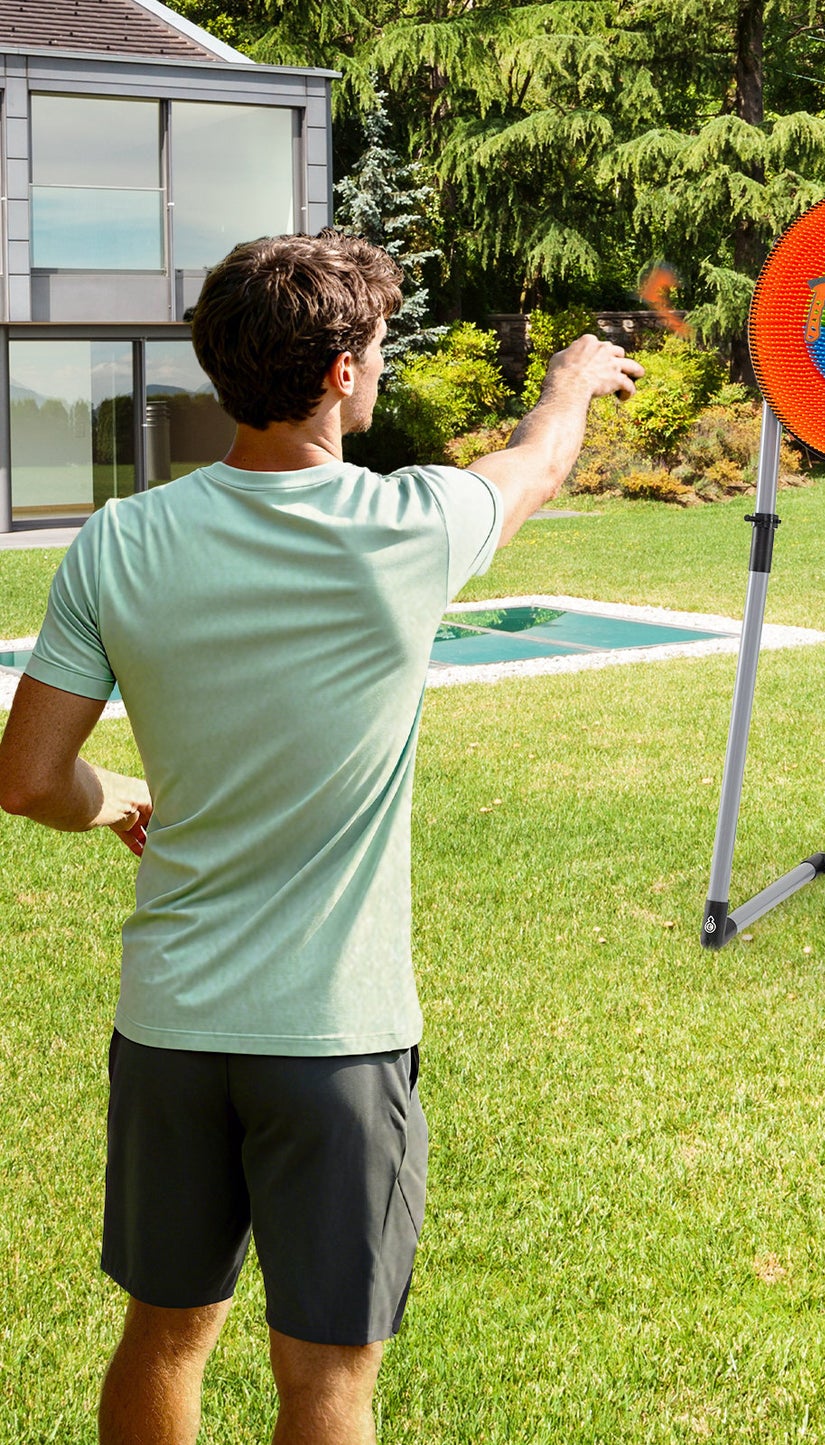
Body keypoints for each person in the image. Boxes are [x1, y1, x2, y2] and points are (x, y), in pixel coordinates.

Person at [0, 230, 642, 1444]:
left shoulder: (121, 540)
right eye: (381, 347)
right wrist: (567, 384)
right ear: (344, 371)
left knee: (163, 1330)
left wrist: (121, 797)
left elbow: (27, 780)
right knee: (330, 1379)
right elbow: (535, 467)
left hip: (172, 1026)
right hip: (334, 1042)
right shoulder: (407, 528)